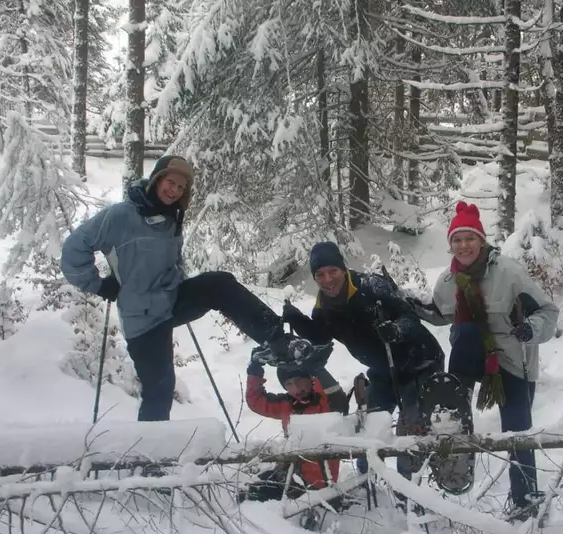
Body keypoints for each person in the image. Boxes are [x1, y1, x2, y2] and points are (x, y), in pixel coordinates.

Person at [60, 155, 347, 421]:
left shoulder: (170, 220)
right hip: (143, 319)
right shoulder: (120, 216)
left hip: (171, 300)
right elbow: (74, 250)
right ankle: (151, 461)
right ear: (157, 180)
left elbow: (173, 261)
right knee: (159, 391)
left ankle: (280, 343)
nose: (174, 190)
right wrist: (98, 284)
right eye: (170, 182)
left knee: (218, 284)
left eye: (180, 187)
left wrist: (180, 279)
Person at [412, 201, 559, 519]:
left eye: (469, 238)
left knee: (517, 432)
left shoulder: (509, 273)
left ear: (481, 241)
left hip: (512, 361)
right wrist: (408, 303)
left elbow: (548, 312)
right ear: (450, 244)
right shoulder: (447, 282)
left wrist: (529, 330)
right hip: (472, 357)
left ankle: (526, 504)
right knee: (464, 334)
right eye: (457, 239)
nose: (463, 245)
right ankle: (454, 408)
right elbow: (439, 314)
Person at [282, 241, 445, 479]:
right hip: (383, 371)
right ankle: (365, 481)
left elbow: (410, 317)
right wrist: (298, 321)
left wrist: (397, 330)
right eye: (320, 274)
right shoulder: (323, 307)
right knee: (368, 432)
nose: (328, 279)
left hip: (420, 363)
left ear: (343, 269)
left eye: (333, 271)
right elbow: (322, 337)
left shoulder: (371, 287)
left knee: (409, 438)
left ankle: (411, 495)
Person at [240, 355, 340, 505]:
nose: (296, 389)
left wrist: (311, 364)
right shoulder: (287, 404)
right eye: (289, 384)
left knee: (257, 497)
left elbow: (330, 389)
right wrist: (255, 370)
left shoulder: (325, 401)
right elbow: (256, 402)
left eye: (300, 381)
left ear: (311, 380)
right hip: (288, 472)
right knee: (246, 493)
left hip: (317, 482)